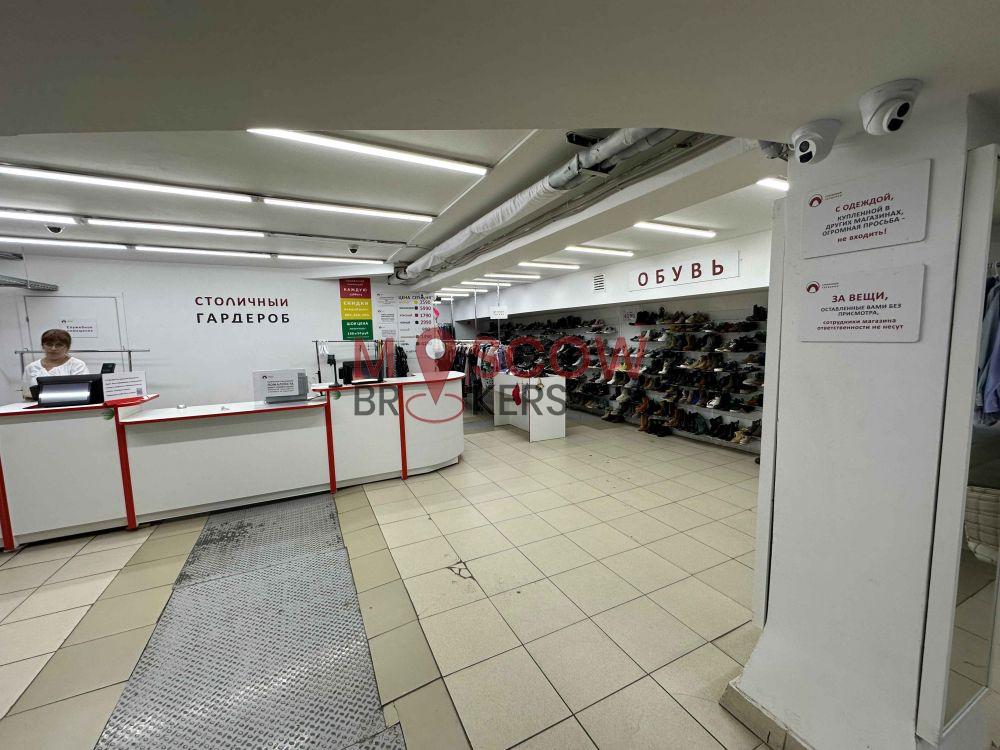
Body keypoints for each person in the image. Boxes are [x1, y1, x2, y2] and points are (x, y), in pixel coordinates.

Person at [23, 328, 89, 398]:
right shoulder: (31, 367)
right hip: (37, 404)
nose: (53, 348)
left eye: (59, 345)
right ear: (43, 346)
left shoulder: (77, 365)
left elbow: (83, 391)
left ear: (67, 347)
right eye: (49, 344)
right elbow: (26, 393)